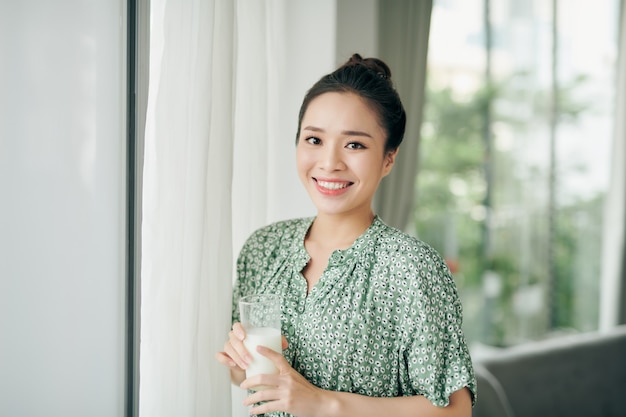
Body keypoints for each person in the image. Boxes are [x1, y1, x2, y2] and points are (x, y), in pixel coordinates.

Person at [215, 53, 476, 417]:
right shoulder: (263, 248)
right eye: (314, 140)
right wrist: (240, 358)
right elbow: (247, 376)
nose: (329, 162)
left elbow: (455, 410)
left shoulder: (412, 267)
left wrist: (323, 404)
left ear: (389, 158)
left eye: (354, 144)